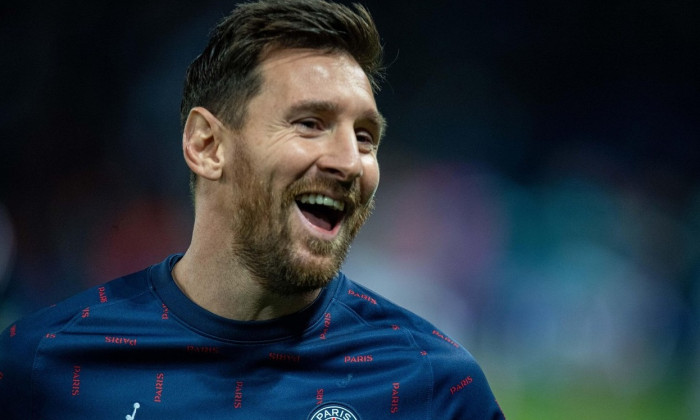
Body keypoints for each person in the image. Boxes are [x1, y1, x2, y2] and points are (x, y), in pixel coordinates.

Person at [0, 1, 505, 418]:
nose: (350, 161)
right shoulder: (38, 368)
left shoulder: (434, 387)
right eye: (310, 123)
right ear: (207, 145)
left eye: (365, 137)